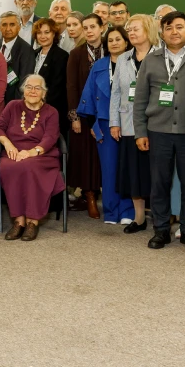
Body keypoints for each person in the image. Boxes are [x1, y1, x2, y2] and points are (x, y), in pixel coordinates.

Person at [134, 11, 185, 250]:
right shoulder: (151, 60)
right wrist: (140, 132)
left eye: (179, 27)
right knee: (160, 184)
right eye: (169, 28)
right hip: (158, 131)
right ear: (162, 33)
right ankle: (161, 230)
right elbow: (140, 100)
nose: (174, 32)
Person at [0, 74, 65, 241]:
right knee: (8, 166)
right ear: (23, 90)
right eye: (29, 87)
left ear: (44, 93)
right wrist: (8, 144)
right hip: (14, 152)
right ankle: (19, 221)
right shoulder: (12, 106)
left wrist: (31, 152)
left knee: (29, 166)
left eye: (37, 88)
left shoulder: (51, 112)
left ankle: (32, 222)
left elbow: (50, 137)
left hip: (42, 155)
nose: (33, 91)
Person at [77, 26, 135, 225]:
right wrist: (93, 125)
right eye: (110, 40)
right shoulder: (99, 66)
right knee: (109, 169)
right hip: (103, 122)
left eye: (118, 39)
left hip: (129, 122)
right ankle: (111, 212)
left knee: (127, 168)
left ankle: (128, 210)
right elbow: (88, 96)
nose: (114, 43)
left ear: (126, 42)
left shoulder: (133, 63)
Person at [109, 14, 159, 235]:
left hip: (157, 123)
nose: (131, 33)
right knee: (133, 172)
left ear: (148, 30)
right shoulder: (123, 58)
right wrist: (114, 122)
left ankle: (161, 217)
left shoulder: (160, 55)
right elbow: (116, 93)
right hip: (128, 122)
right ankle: (139, 218)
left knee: (156, 172)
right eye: (129, 29)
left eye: (135, 29)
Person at [66, 13, 105, 218]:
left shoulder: (111, 49)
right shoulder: (76, 53)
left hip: (107, 112)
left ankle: (108, 195)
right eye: (86, 27)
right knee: (87, 157)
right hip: (84, 112)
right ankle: (90, 196)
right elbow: (71, 87)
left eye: (93, 27)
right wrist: (75, 117)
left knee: (105, 155)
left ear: (101, 28)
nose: (89, 31)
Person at [31, 17, 69, 134]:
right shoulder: (33, 54)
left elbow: (57, 87)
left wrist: (38, 104)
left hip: (51, 110)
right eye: (39, 33)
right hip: (32, 109)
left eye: (47, 32)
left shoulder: (61, 56)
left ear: (54, 34)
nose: (43, 36)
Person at [0, 12, 35, 105]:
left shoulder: (26, 49)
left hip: (13, 102)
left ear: (19, 27)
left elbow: (24, 82)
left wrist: (16, 105)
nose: (8, 29)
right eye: (4, 25)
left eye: (12, 25)